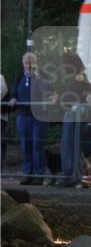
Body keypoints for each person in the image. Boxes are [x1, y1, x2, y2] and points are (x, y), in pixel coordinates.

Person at [11, 53, 51, 184]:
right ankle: (28, 174)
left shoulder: (43, 76)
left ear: (36, 63)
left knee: (37, 146)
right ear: (23, 63)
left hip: (39, 117)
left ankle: (39, 176)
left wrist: (37, 76)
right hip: (23, 117)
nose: (29, 65)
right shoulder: (19, 77)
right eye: (26, 62)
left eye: (31, 62)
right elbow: (14, 93)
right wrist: (13, 99)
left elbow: (47, 91)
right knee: (25, 146)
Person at [56, 52, 91, 187]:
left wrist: (60, 98)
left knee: (69, 147)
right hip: (77, 116)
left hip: (74, 116)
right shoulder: (81, 77)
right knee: (73, 147)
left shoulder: (78, 78)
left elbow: (73, 96)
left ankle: (71, 177)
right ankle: (74, 176)